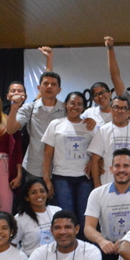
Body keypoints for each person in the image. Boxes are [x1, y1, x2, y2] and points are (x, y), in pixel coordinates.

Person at [41, 91, 95, 230]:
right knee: (66, 218)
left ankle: (84, 249)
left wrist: (93, 161)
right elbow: (47, 154)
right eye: (72, 103)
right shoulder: (56, 124)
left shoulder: (89, 126)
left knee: (84, 219)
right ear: (66, 104)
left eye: (79, 104)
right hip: (61, 179)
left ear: (84, 108)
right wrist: (47, 179)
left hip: (85, 179)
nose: (75, 106)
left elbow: (99, 151)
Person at [6, 71, 69, 183]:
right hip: (33, 168)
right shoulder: (29, 108)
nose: (49, 86)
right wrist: (14, 109)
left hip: (60, 169)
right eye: (46, 83)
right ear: (39, 87)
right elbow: (11, 129)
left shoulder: (67, 109)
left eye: (53, 84)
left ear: (59, 90)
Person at [88, 94, 130, 186]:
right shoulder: (103, 130)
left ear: (129, 112)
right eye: (116, 107)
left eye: (124, 108)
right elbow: (95, 160)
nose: (119, 111)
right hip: (108, 183)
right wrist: (97, 186)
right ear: (110, 110)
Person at [15, 178, 61, 257]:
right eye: (33, 192)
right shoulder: (19, 219)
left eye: (42, 191)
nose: (39, 195)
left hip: (56, 259)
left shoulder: (57, 211)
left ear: (47, 193)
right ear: (27, 197)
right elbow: (12, 243)